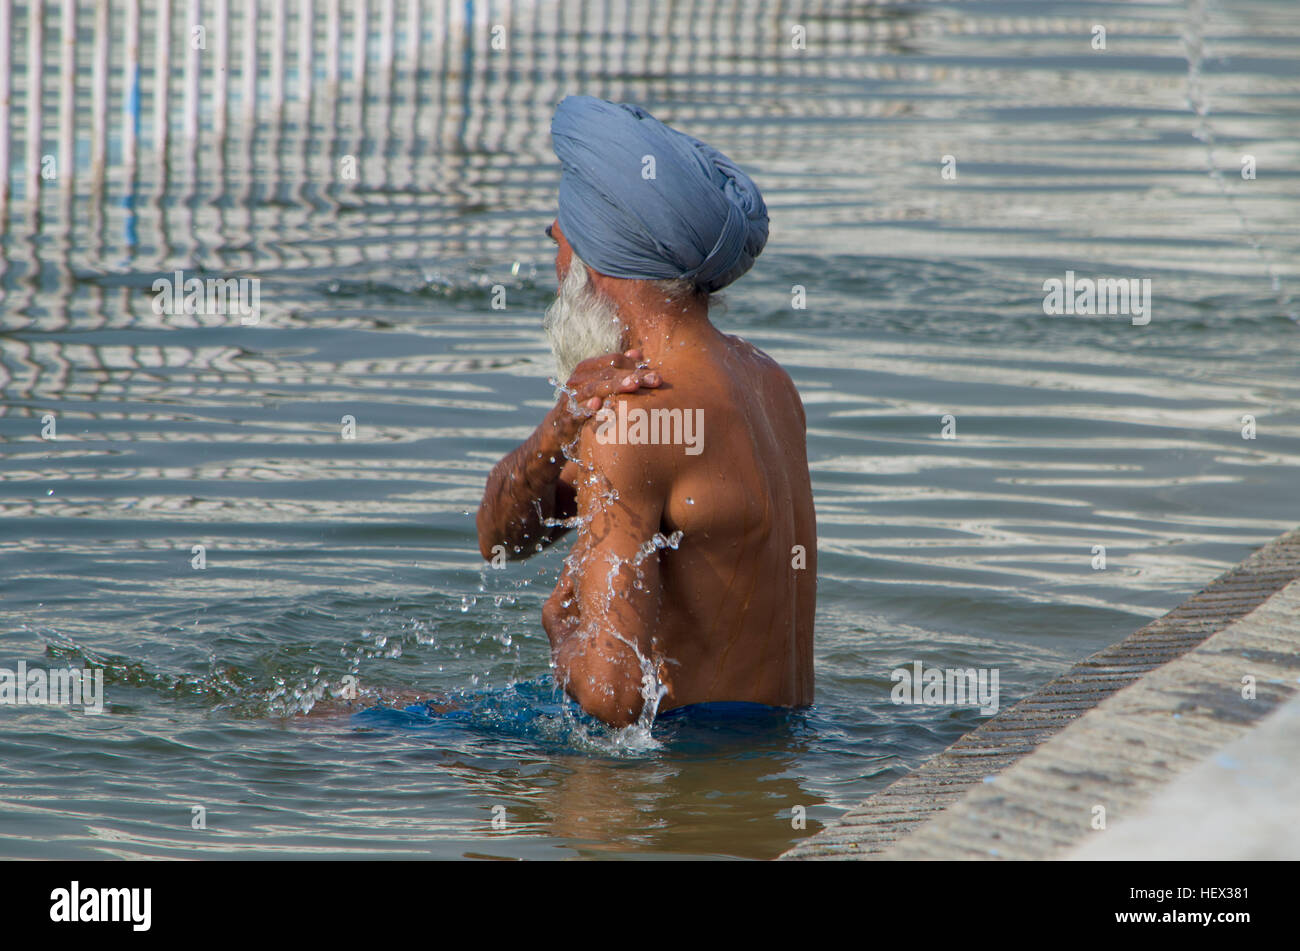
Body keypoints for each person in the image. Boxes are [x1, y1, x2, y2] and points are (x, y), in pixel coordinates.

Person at [476, 95, 816, 727]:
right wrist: (556, 429)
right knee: (362, 714)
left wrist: (560, 631)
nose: (556, 269)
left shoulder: (632, 420)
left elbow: (613, 695)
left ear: (593, 263)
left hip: (682, 780)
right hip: (775, 752)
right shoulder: (770, 383)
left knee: (349, 734)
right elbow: (499, 542)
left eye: (560, 246)